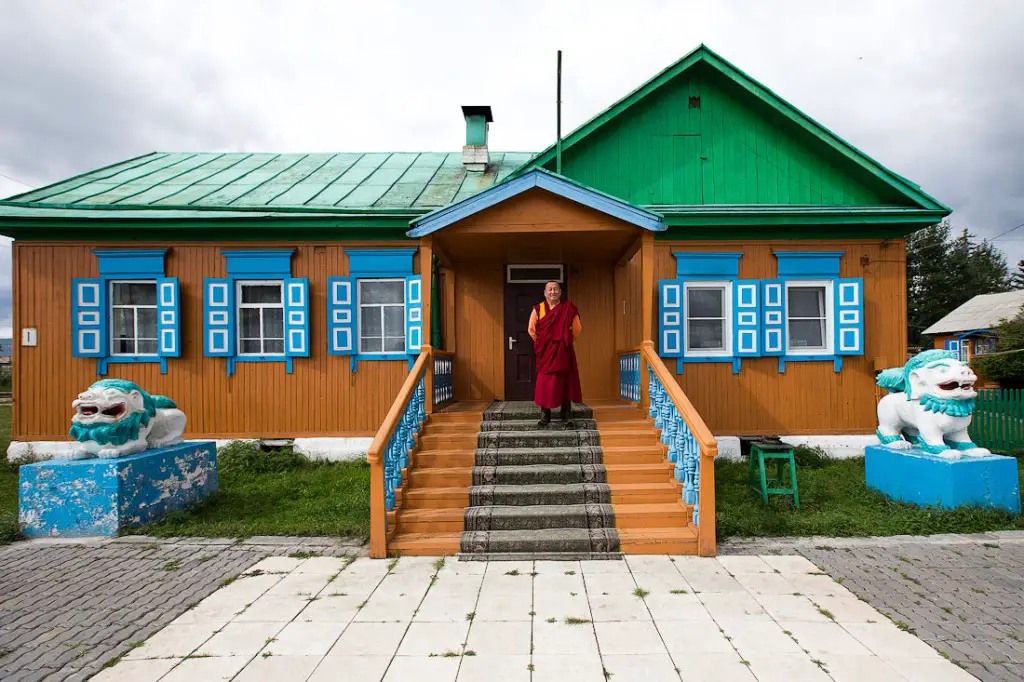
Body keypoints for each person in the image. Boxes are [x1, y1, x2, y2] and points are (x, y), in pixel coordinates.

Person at [528, 280, 583, 428]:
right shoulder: (538, 309)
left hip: (563, 351)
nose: (553, 292)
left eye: (555, 289)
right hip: (546, 353)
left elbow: (576, 330)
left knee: (565, 383)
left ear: (560, 292)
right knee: (544, 384)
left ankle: (566, 415)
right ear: (545, 292)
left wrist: (564, 341)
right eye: (550, 289)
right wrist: (545, 343)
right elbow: (532, 330)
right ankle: (545, 416)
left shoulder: (568, 309)